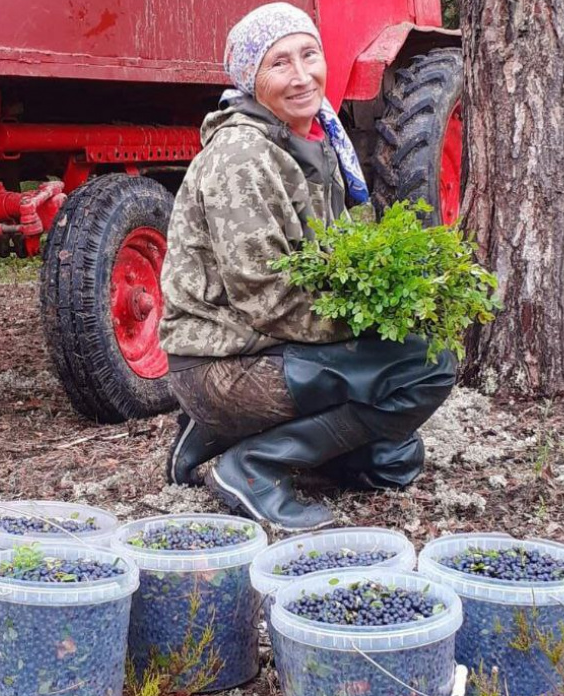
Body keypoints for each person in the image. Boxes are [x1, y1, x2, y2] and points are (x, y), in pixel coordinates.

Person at [157, 3, 456, 532]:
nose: (301, 76)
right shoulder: (242, 158)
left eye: (309, 55)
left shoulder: (316, 140)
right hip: (225, 362)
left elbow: (337, 257)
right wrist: (373, 324)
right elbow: (267, 298)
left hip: (261, 347)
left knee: (392, 460)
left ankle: (214, 434)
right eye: (279, 63)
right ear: (251, 79)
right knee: (425, 367)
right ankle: (253, 466)